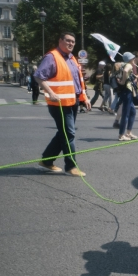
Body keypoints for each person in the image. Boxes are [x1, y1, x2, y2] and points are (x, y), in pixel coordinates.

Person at [34, 31, 90, 176]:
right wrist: (51, 93)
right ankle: (71, 166)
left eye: (73, 41)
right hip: (58, 103)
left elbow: (79, 82)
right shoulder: (52, 57)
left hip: (73, 101)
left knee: (64, 133)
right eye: (68, 40)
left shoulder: (72, 58)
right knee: (69, 133)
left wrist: (85, 98)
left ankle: (46, 160)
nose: (71, 43)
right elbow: (39, 76)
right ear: (60, 41)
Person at [116, 52, 138, 141]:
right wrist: (123, 81)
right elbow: (125, 71)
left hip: (125, 91)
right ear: (129, 59)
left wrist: (122, 82)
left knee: (132, 112)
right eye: (133, 58)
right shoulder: (129, 65)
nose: (134, 59)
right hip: (127, 91)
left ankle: (128, 133)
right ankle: (121, 135)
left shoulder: (123, 65)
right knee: (126, 113)